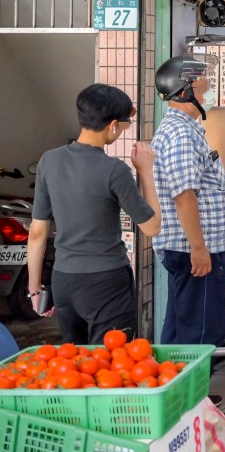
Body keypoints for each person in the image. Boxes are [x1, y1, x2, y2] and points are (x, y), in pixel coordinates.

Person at [27, 84, 161, 343]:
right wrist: (145, 171)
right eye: (124, 125)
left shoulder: (49, 161)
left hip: (64, 279)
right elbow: (152, 227)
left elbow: (37, 233)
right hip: (106, 281)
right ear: (112, 125)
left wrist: (35, 290)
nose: (122, 131)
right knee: (110, 363)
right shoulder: (114, 170)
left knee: (76, 364)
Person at [152, 54, 225, 428]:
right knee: (200, 332)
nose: (209, 86)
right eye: (203, 80)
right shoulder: (178, 133)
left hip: (196, 247)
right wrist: (199, 247)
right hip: (195, 250)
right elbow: (183, 194)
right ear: (185, 87)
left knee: (183, 326)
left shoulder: (186, 129)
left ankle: (182, 396)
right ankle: (194, 413)